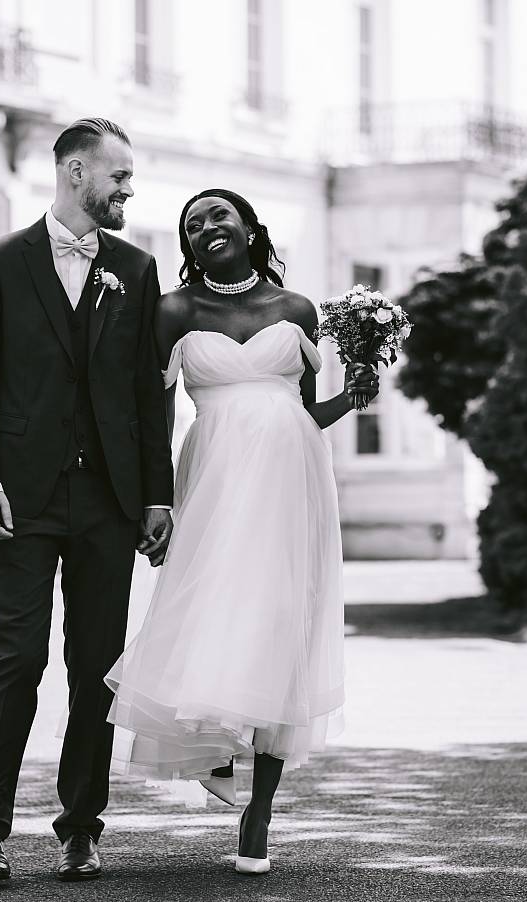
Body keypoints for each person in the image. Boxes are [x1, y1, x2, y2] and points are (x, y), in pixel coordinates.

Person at [104, 188, 377, 874]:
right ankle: (214, 745)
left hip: (294, 482)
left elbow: (306, 413)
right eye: (193, 225)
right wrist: (157, 502)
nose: (205, 229)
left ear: (252, 229)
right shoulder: (174, 310)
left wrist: (358, 392)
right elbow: (158, 414)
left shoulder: (297, 311)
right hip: (217, 478)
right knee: (214, 610)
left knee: (282, 625)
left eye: (218, 216)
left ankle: (261, 811)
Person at [0, 118, 175, 883]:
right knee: (18, 655)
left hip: (110, 501)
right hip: (22, 497)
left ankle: (81, 827)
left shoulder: (136, 271)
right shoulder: (1, 261)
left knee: (96, 668)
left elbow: (150, 396)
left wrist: (156, 497)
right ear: (77, 174)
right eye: (119, 176)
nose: (128, 189)